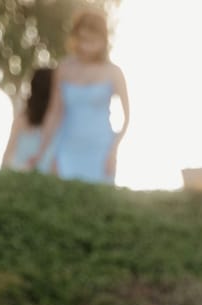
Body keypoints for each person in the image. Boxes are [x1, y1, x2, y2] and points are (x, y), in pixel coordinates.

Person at [30, 8, 130, 184]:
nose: (85, 46)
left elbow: (126, 118)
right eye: (82, 39)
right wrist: (41, 151)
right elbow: (54, 113)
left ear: (103, 41)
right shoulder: (63, 69)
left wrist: (113, 150)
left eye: (91, 41)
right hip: (66, 148)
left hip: (101, 150)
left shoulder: (114, 73)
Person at [1, 66, 57, 173]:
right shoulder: (58, 122)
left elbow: (7, 155)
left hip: (18, 173)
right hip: (35, 176)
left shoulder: (22, 118)